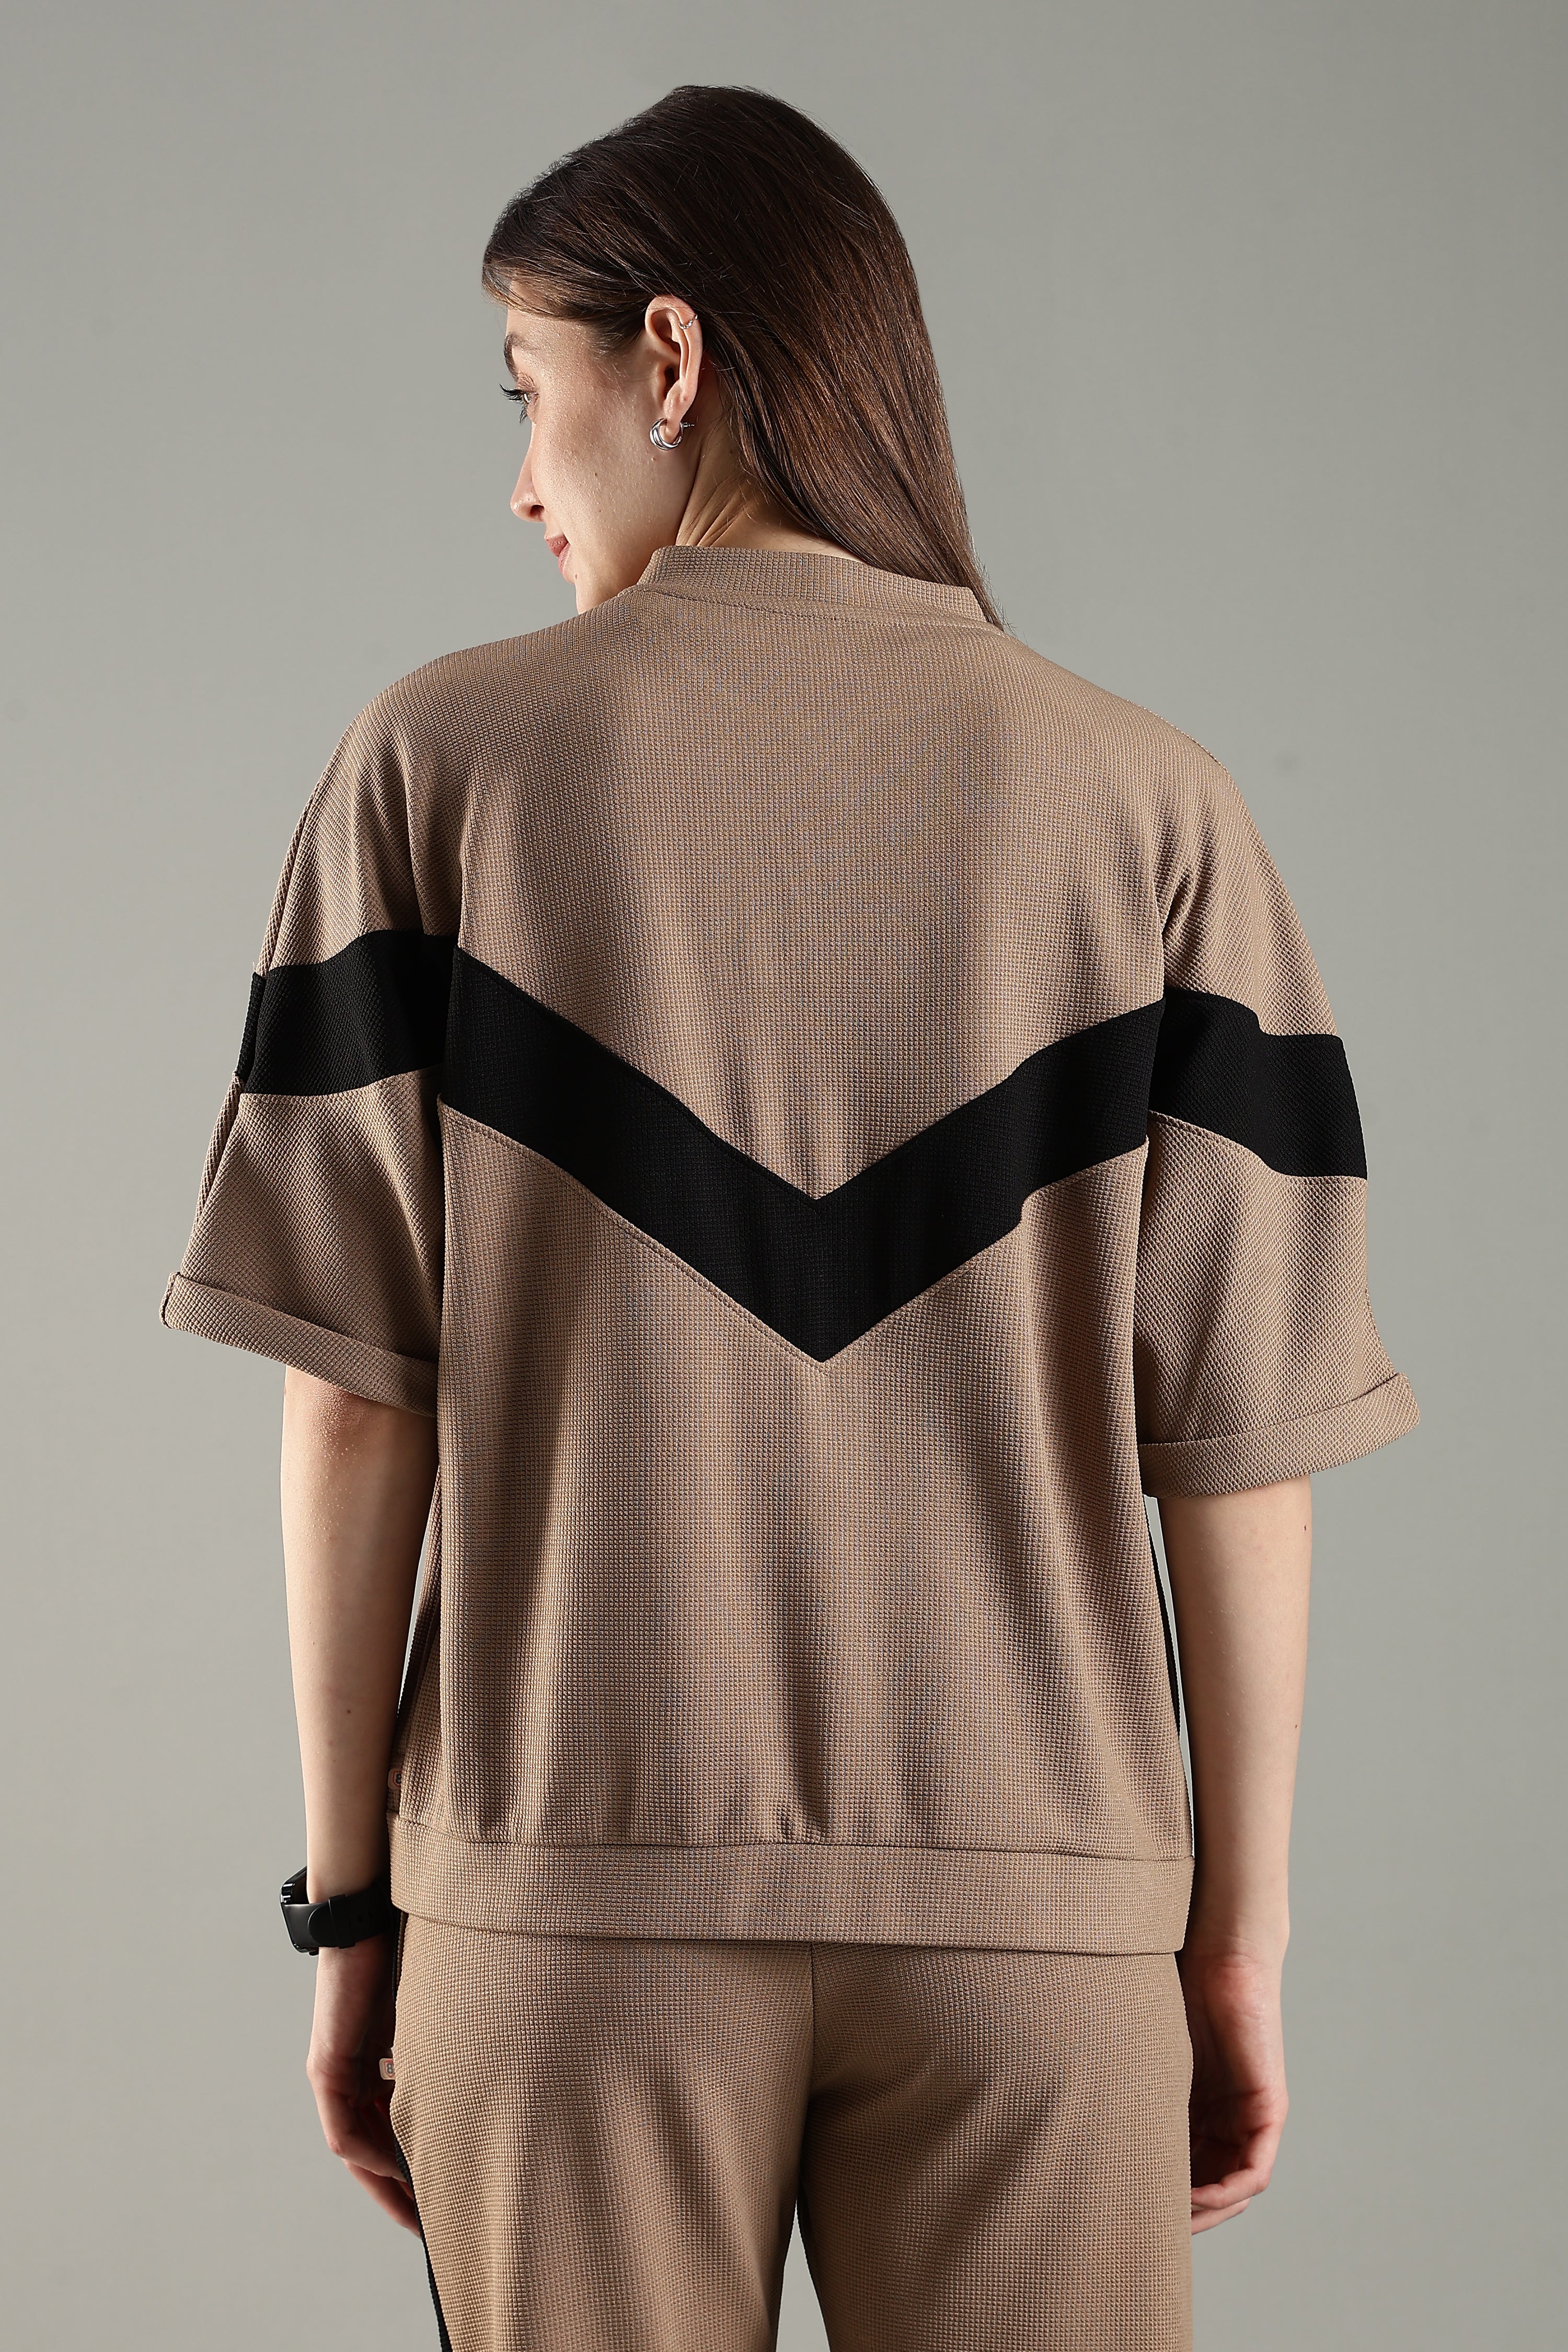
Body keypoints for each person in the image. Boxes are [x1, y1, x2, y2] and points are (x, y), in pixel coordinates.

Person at [162, 82, 1419, 2352]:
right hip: (1041, 1933)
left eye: (527, 393)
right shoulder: (1162, 812)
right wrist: (1229, 1940)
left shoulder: (435, 767)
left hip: (573, 1903)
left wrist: (352, 1908)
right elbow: (1242, 1454)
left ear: (669, 355)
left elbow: (353, 1409)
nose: (523, 483)